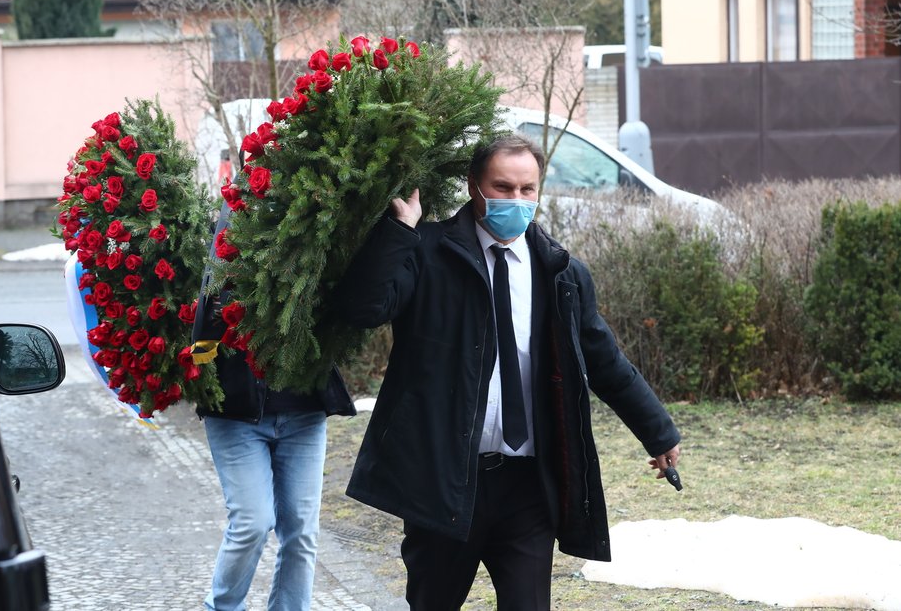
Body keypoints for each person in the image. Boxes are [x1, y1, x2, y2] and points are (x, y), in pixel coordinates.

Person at [337, 134, 682, 610]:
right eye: (502, 187)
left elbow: (604, 361)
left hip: (527, 488)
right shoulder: (427, 251)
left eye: (527, 190)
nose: (516, 200)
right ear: (473, 187)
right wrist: (399, 230)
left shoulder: (560, 272)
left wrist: (658, 432)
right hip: (444, 482)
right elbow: (362, 308)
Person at [198, 344, 355, 611]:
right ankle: (223, 607)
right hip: (232, 408)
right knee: (252, 522)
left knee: (302, 530)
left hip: (305, 408)